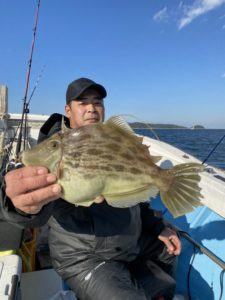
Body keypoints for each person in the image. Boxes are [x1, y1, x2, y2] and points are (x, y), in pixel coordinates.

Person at [0, 77, 181, 300]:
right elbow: (34, 206)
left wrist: (157, 226)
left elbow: (135, 197)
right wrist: (19, 206)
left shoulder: (112, 142)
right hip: (83, 256)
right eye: (82, 102)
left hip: (127, 242)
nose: (91, 109)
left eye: (97, 102)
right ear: (68, 110)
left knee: (170, 251)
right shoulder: (53, 150)